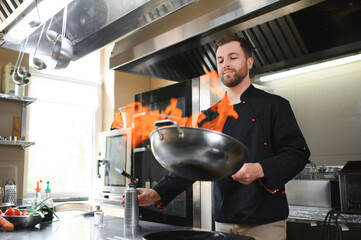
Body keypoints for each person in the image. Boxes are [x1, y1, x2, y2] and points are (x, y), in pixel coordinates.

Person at [132, 34, 310, 240]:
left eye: (233, 57)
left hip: (265, 223)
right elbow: (191, 165)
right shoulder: (210, 116)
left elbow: (297, 154)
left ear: (249, 62)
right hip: (223, 222)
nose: (226, 64)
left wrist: (259, 169)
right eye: (221, 60)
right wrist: (158, 193)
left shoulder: (275, 106)